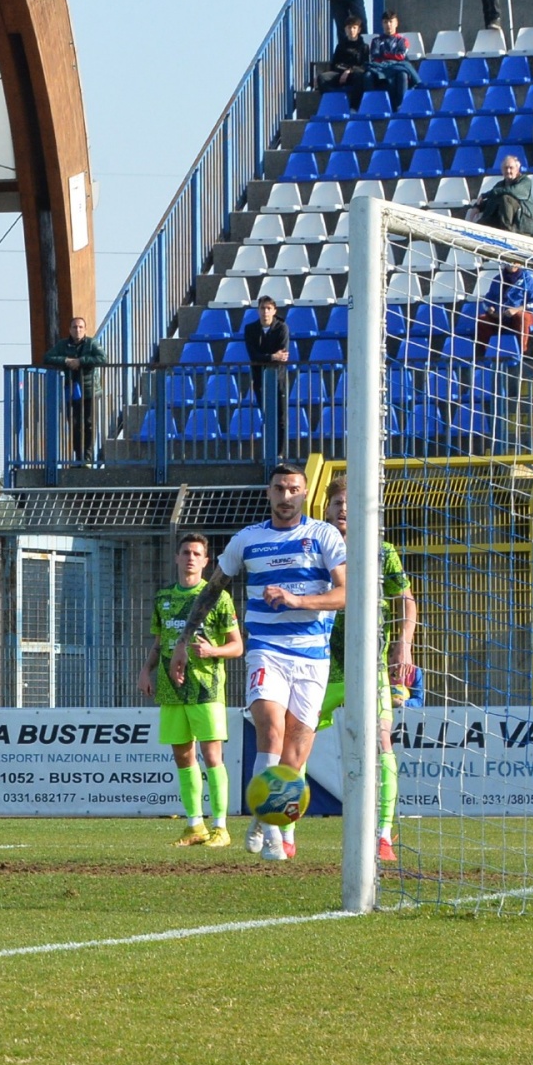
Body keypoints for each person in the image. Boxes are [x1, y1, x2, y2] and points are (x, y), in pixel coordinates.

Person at [170, 463, 346, 862]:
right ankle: (273, 836)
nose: (286, 497)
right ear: (268, 493)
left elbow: (346, 593)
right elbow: (212, 590)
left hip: (313, 658)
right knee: (271, 730)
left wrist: (298, 600)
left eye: (294, 489)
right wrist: (183, 641)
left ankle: (264, 819)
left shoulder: (323, 536)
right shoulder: (247, 540)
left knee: (295, 755)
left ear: (305, 494)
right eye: (279, 489)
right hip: (267, 650)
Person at [318, 475, 417, 863]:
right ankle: (282, 829)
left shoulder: (382, 551)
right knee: (293, 739)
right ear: (325, 510)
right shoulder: (312, 549)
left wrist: (403, 645)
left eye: (350, 500)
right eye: (336, 502)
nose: (343, 507)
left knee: (381, 743)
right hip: (319, 664)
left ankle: (382, 834)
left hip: (370, 664)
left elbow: (405, 600)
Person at [137, 533, 242, 848]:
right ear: (177, 558)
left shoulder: (217, 597)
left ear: (207, 561)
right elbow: (160, 642)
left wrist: (213, 652)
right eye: (186, 552)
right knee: (183, 757)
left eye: (198, 553)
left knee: (212, 756)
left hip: (206, 689)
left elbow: (237, 647)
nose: (191, 558)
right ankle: (195, 825)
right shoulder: (163, 597)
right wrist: (146, 670)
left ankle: (221, 827)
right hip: (171, 691)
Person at [43, 315, 108, 466]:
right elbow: (47, 357)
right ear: (69, 330)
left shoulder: (91, 344)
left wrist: (81, 361)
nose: (77, 330)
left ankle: (88, 458)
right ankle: (78, 458)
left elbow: (102, 358)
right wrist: (66, 361)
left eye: (80, 327)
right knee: (74, 424)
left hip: (90, 390)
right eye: (74, 327)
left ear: (85, 330)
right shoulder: (63, 345)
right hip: (72, 390)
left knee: (89, 424)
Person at [243, 294, 290, 447]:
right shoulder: (250, 329)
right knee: (267, 416)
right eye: (262, 308)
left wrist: (268, 357)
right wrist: (272, 356)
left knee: (280, 417)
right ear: (258, 310)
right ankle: (268, 450)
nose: (265, 312)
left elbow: (283, 355)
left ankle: (280, 453)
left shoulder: (282, 327)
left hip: (278, 378)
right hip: (259, 379)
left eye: (269, 308)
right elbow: (253, 356)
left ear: (274, 310)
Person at [477, 263, 533, 349]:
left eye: (514, 261)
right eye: (508, 262)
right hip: (499, 317)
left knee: (522, 317)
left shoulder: (529, 278)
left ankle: (523, 351)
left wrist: (517, 310)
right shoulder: (497, 279)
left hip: (519, 316)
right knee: (482, 320)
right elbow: (487, 301)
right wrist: (491, 309)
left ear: (519, 263)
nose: (512, 264)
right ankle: (488, 351)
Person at [473, 153, 533, 237]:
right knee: (480, 225)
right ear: (502, 170)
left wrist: (487, 194)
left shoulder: (525, 181)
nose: (508, 171)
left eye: (511, 168)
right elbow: (492, 200)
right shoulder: (500, 185)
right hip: (500, 222)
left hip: (523, 225)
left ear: (517, 168)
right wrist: (477, 207)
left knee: (505, 198)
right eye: (505, 168)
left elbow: (512, 191)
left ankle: (506, 233)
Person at [366, 10, 414, 109]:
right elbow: (375, 56)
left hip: (397, 68)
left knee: (403, 74)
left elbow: (401, 56)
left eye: (391, 21)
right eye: (385, 22)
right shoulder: (376, 41)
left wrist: (385, 54)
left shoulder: (402, 40)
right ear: (382, 24)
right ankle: (370, 105)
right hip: (380, 68)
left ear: (396, 23)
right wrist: (391, 55)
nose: (388, 24)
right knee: (367, 75)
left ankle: (401, 106)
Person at [319, 16, 370, 105]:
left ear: (359, 30)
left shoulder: (364, 47)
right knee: (322, 78)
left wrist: (349, 71)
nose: (351, 30)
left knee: (360, 77)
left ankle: (354, 107)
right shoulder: (340, 46)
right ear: (345, 29)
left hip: (355, 74)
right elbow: (334, 64)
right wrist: (343, 71)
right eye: (349, 27)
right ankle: (332, 103)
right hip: (340, 73)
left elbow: (364, 65)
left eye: (354, 27)